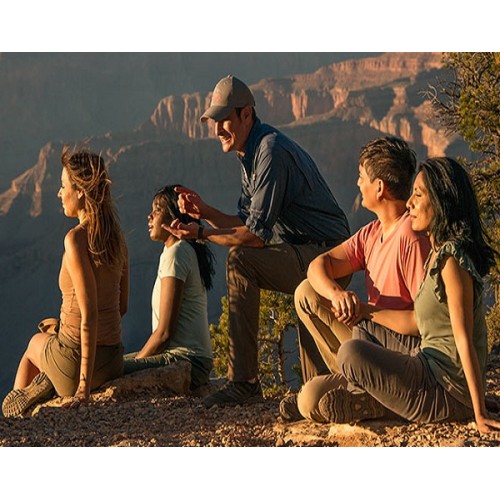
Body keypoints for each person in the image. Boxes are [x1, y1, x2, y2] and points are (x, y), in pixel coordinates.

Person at [165, 75, 350, 408]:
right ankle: (319, 394)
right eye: (213, 121)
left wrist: (202, 234)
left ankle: (244, 382)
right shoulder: (250, 151)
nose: (217, 129)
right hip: (306, 251)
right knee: (297, 296)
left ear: (246, 115)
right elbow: (246, 223)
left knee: (241, 261)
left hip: (327, 254)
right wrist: (205, 212)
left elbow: (253, 237)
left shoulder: (270, 152)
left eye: (224, 120)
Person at [302, 157, 500, 435]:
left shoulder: (452, 260)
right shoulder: (437, 255)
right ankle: (363, 396)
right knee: (363, 328)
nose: (409, 203)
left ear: (441, 201)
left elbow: (463, 337)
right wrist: (365, 311)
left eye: (418, 195)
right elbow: (420, 323)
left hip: (442, 389)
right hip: (428, 367)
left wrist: (476, 408)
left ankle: (371, 401)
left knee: (350, 352)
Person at [281, 136, 431, 421]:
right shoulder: (373, 233)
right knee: (307, 293)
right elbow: (317, 266)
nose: (357, 184)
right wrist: (337, 294)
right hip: (368, 344)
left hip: (399, 357)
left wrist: (366, 312)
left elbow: (422, 322)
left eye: (361, 176)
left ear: (379, 187)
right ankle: (357, 388)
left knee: (311, 400)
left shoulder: (410, 237)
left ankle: (380, 398)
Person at [2, 148, 128, 418]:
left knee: (33, 345)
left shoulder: (75, 240)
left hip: (76, 365)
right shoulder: (118, 238)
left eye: (63, 186)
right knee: (52, 334)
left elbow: (89, 314)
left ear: (80, 191)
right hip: (113, 360)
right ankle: (50, 378)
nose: (59, 193)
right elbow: (122, 306)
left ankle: (13, 425)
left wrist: (82, 387)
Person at [123, 185, 215, 390]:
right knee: (104, 366)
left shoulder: (178, 252)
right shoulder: (176, 251)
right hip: (188, 358)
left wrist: (137, 363)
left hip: (188, 360)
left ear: (173, 216)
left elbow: (164, 333)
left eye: (157, 210)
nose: (149, 216)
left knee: (105, 371)